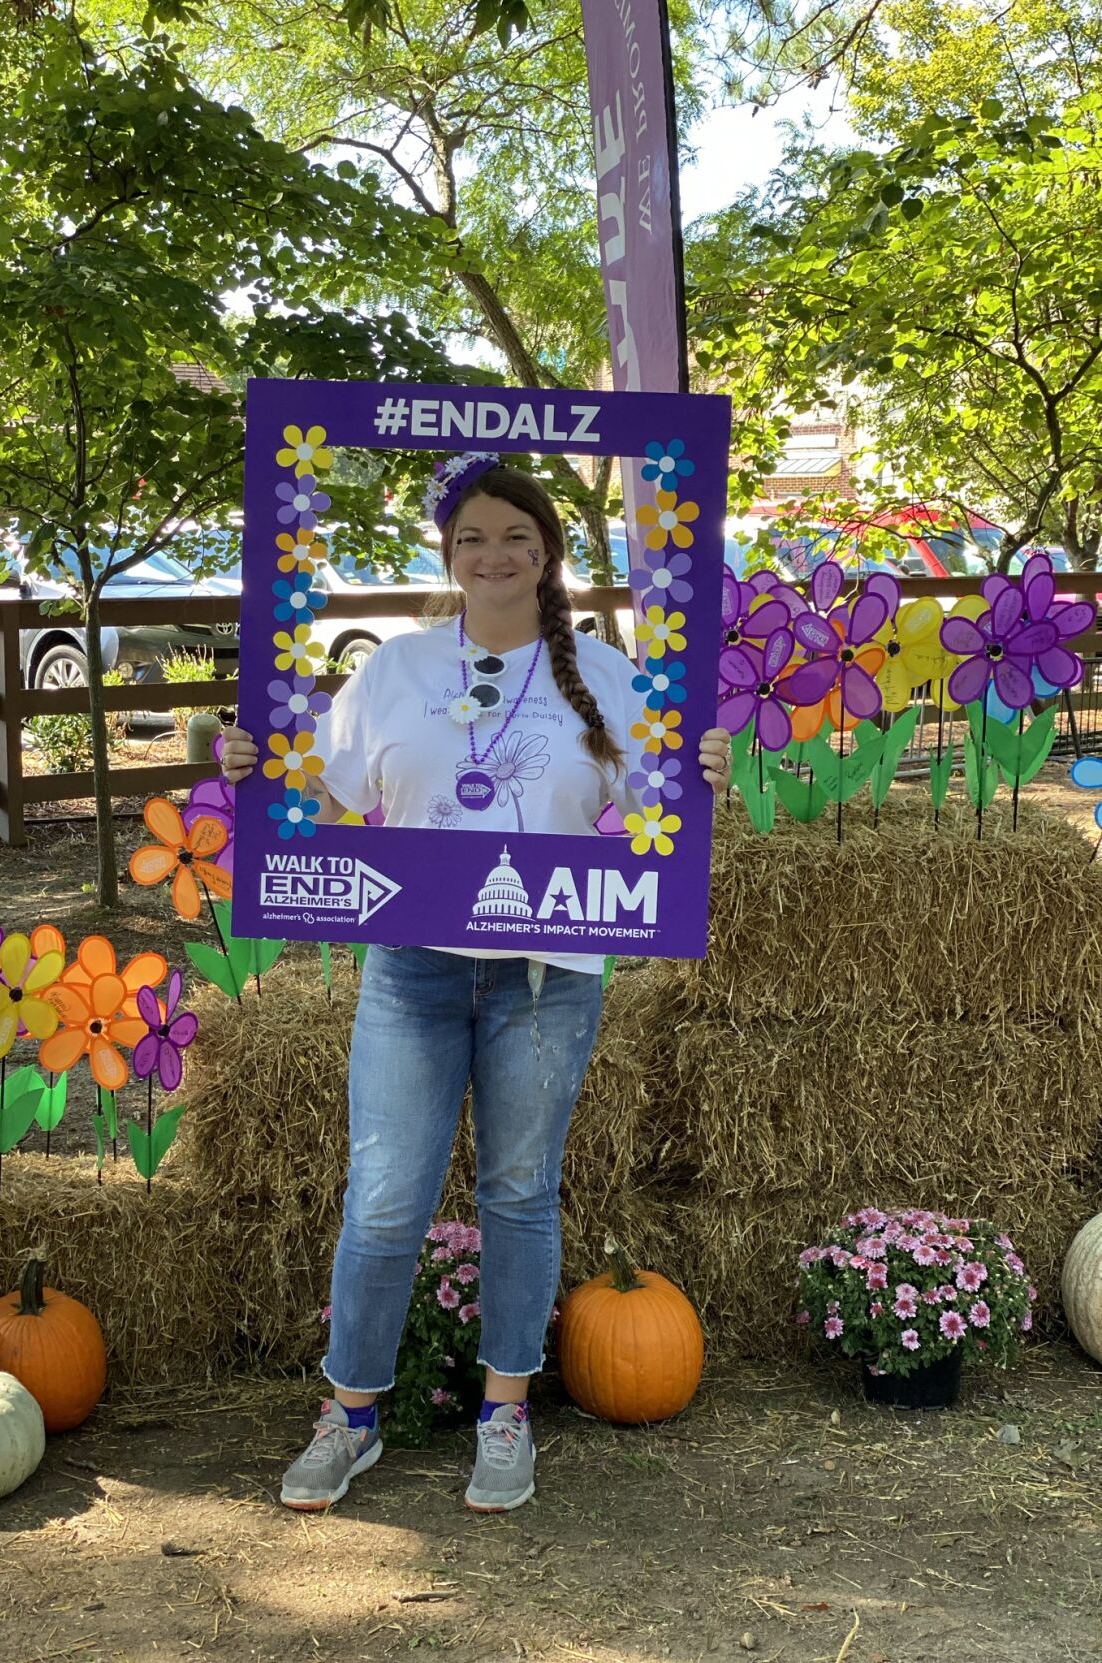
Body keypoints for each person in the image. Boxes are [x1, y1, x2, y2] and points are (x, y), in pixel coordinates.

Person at [220, 452, 732, 1514]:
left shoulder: (610, 677)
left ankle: (505, 1414)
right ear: (447, 555)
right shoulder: (394, 671)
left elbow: (658, 819)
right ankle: (350, 1415)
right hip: (411, 970)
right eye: (471, 538)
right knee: (384, 1197)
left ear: (546, 550)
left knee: (518, 1191)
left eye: (513, 536)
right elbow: (323, 789)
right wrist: (254, 767)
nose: (492, 554)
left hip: (547, 977)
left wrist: (701, 778)